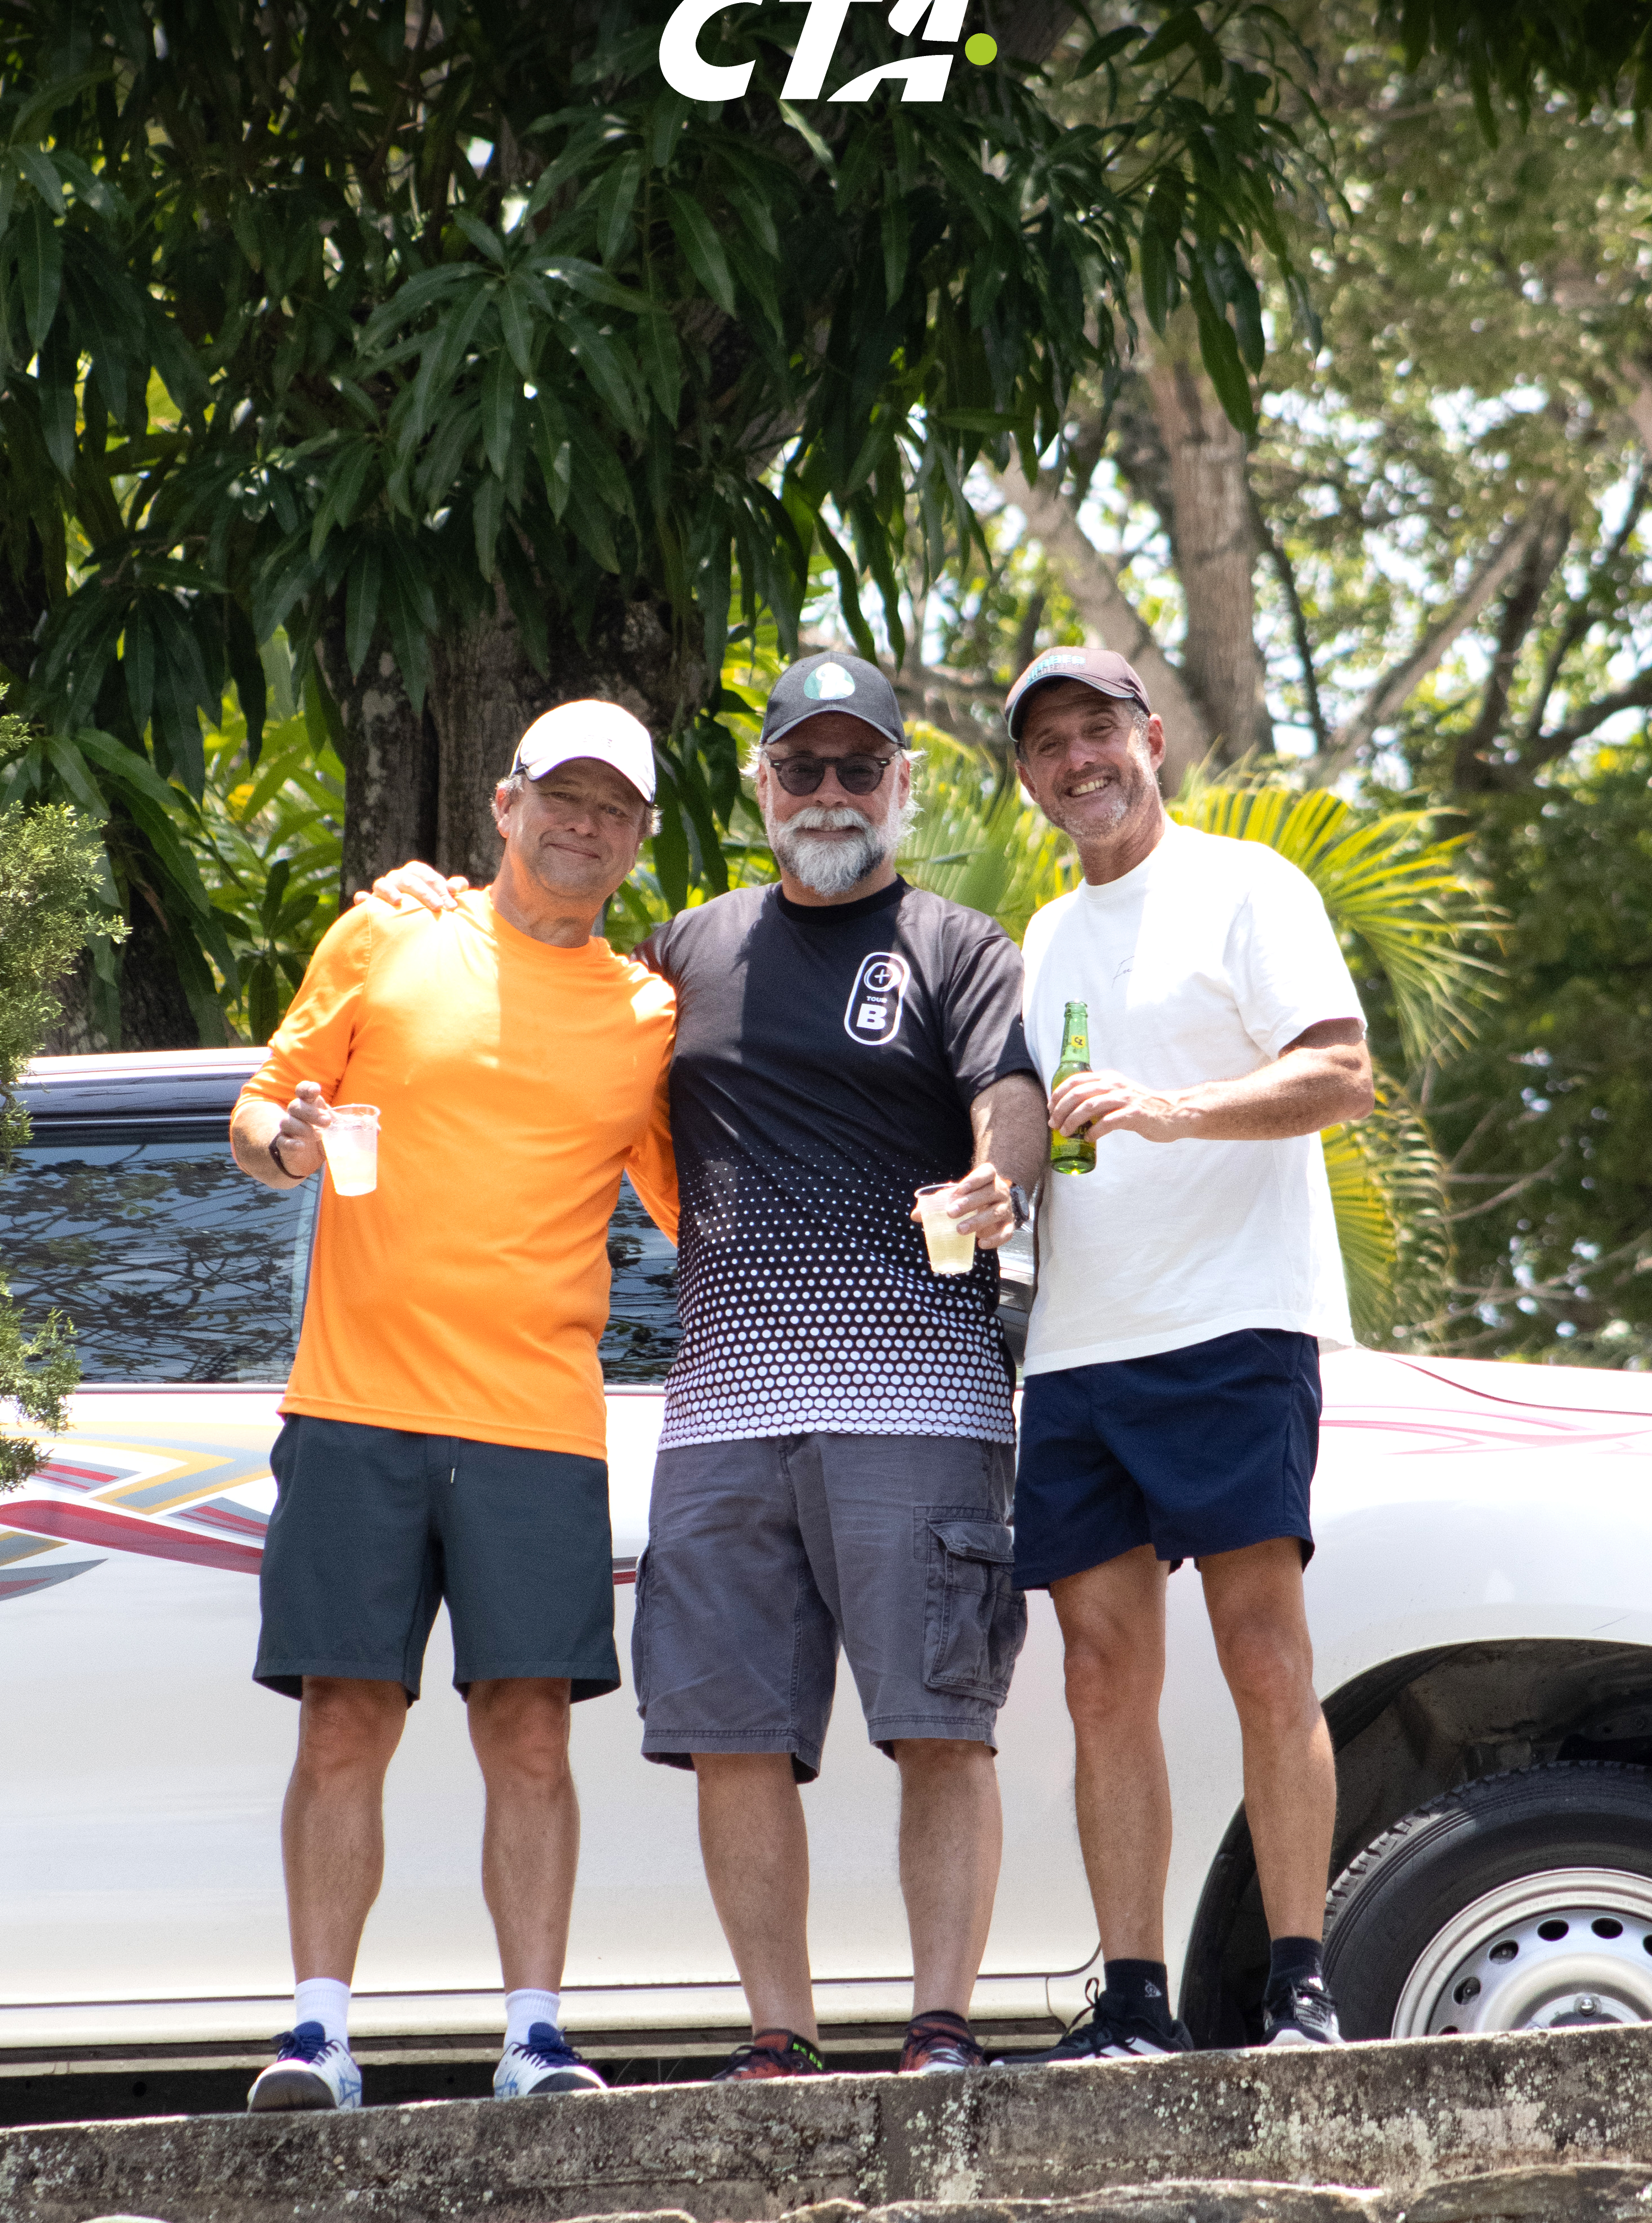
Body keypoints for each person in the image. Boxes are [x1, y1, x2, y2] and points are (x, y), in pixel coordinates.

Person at [370, 650, 1047, 2079]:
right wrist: (420, 902)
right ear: (762, 786)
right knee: (736, 1742)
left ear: (902, 785)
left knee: (939, 1729)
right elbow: (537, 978)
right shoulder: (686, 954)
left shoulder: (956, 944)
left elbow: (1012, 1100)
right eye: (801, 766)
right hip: (722, 1417)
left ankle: (940, 2030)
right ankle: (777, 2038)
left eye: (859, 767)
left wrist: (997, 1181)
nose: (829, 792)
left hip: (919, 1405)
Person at [227, 701, 676, 2113]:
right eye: (562, 795)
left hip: (538, 1423)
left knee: (530, 1734)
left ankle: (536, 2040)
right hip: (356, 1406)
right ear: (505, 804)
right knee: (343, 1722)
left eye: (612, 806)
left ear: (640, 839)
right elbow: (256, 1115)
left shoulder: (650, 1017)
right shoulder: (389, 936)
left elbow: (703, 1209)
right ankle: (315, 2036)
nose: (582, 823)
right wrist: (290, 1141)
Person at [1000, 644, 1373, 2059]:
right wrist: (993, 1185)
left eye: (1100, 730)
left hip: (1232, 1325)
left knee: (1265, 1654)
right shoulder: (1039, 936)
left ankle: (1300, 1989)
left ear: (1151, 737)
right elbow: (1032, 1124)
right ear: (1028, 776)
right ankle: (1134, 2002)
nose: (1079, 761)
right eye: (1050, 745)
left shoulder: (1247, 888)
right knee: (1101, 1679)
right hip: (1080, 1350)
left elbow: (1341, 1072)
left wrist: (1173, 1109)